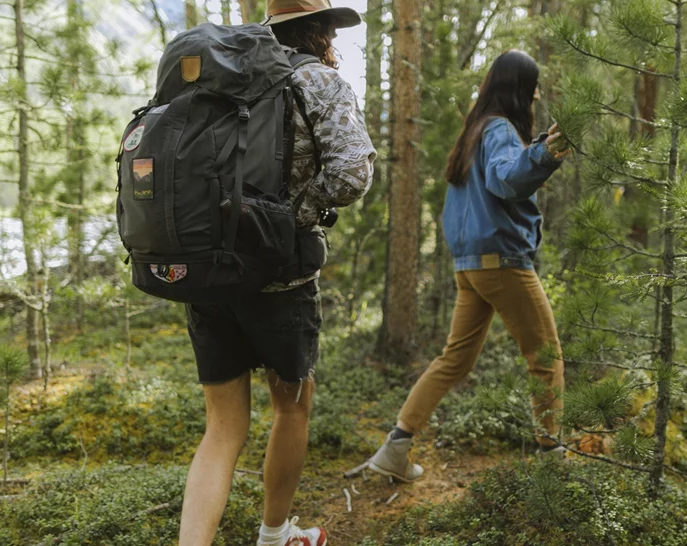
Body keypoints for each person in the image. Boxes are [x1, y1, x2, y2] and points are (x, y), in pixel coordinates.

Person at [177, 2, 375, 546]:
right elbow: (353, 174)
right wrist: (294, 216)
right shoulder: (316, 80)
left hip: (209, 271)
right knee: (292, 407)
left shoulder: (220, 78)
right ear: (322, 28)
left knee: (222, 427)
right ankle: (275, 534)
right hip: (280, 279)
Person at [367, 50, 571, 483]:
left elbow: (497, 176)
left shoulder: (475, 130)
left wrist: (538, 149)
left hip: (471, 266)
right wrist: (547, 154)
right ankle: (552, 458)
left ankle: (395, 446)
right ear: (518, 87)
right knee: (546, 356)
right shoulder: (498, 128)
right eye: (533, 86)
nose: (536, 95)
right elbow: (505, 179)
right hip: (501, 262)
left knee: (454, 360)